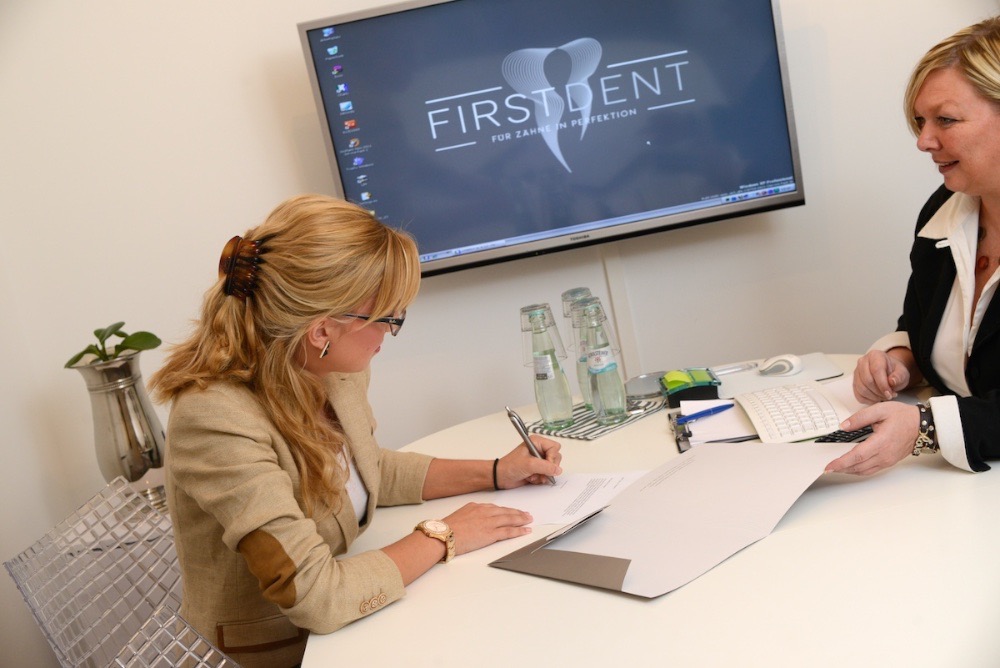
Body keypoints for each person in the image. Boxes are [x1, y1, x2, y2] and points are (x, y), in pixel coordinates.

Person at [149, 194, 562, 667]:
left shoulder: (324, 368)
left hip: (355, 627)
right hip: (281, 652)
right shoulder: (215, 420)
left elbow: (367, 468)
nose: (391, 331)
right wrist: (443, 535)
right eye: (387, 318)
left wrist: (496, 472)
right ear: (322, 331)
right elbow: (316, 595)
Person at [826, 16, 1000, 476]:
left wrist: (925, 426)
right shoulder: (945, 209)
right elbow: (925, 324)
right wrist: (900, 361)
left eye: (946, 120)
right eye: (921, 122)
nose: (924, 141)